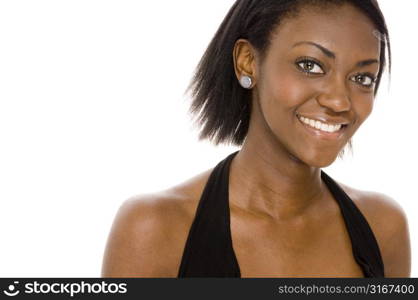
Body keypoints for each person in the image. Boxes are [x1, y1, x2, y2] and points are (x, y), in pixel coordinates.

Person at [102, 0, 411, 277]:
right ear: (247, 61)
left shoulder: (383, 228)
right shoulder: (155, 229)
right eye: (310, 65)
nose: (339, 101)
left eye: (362, 78)